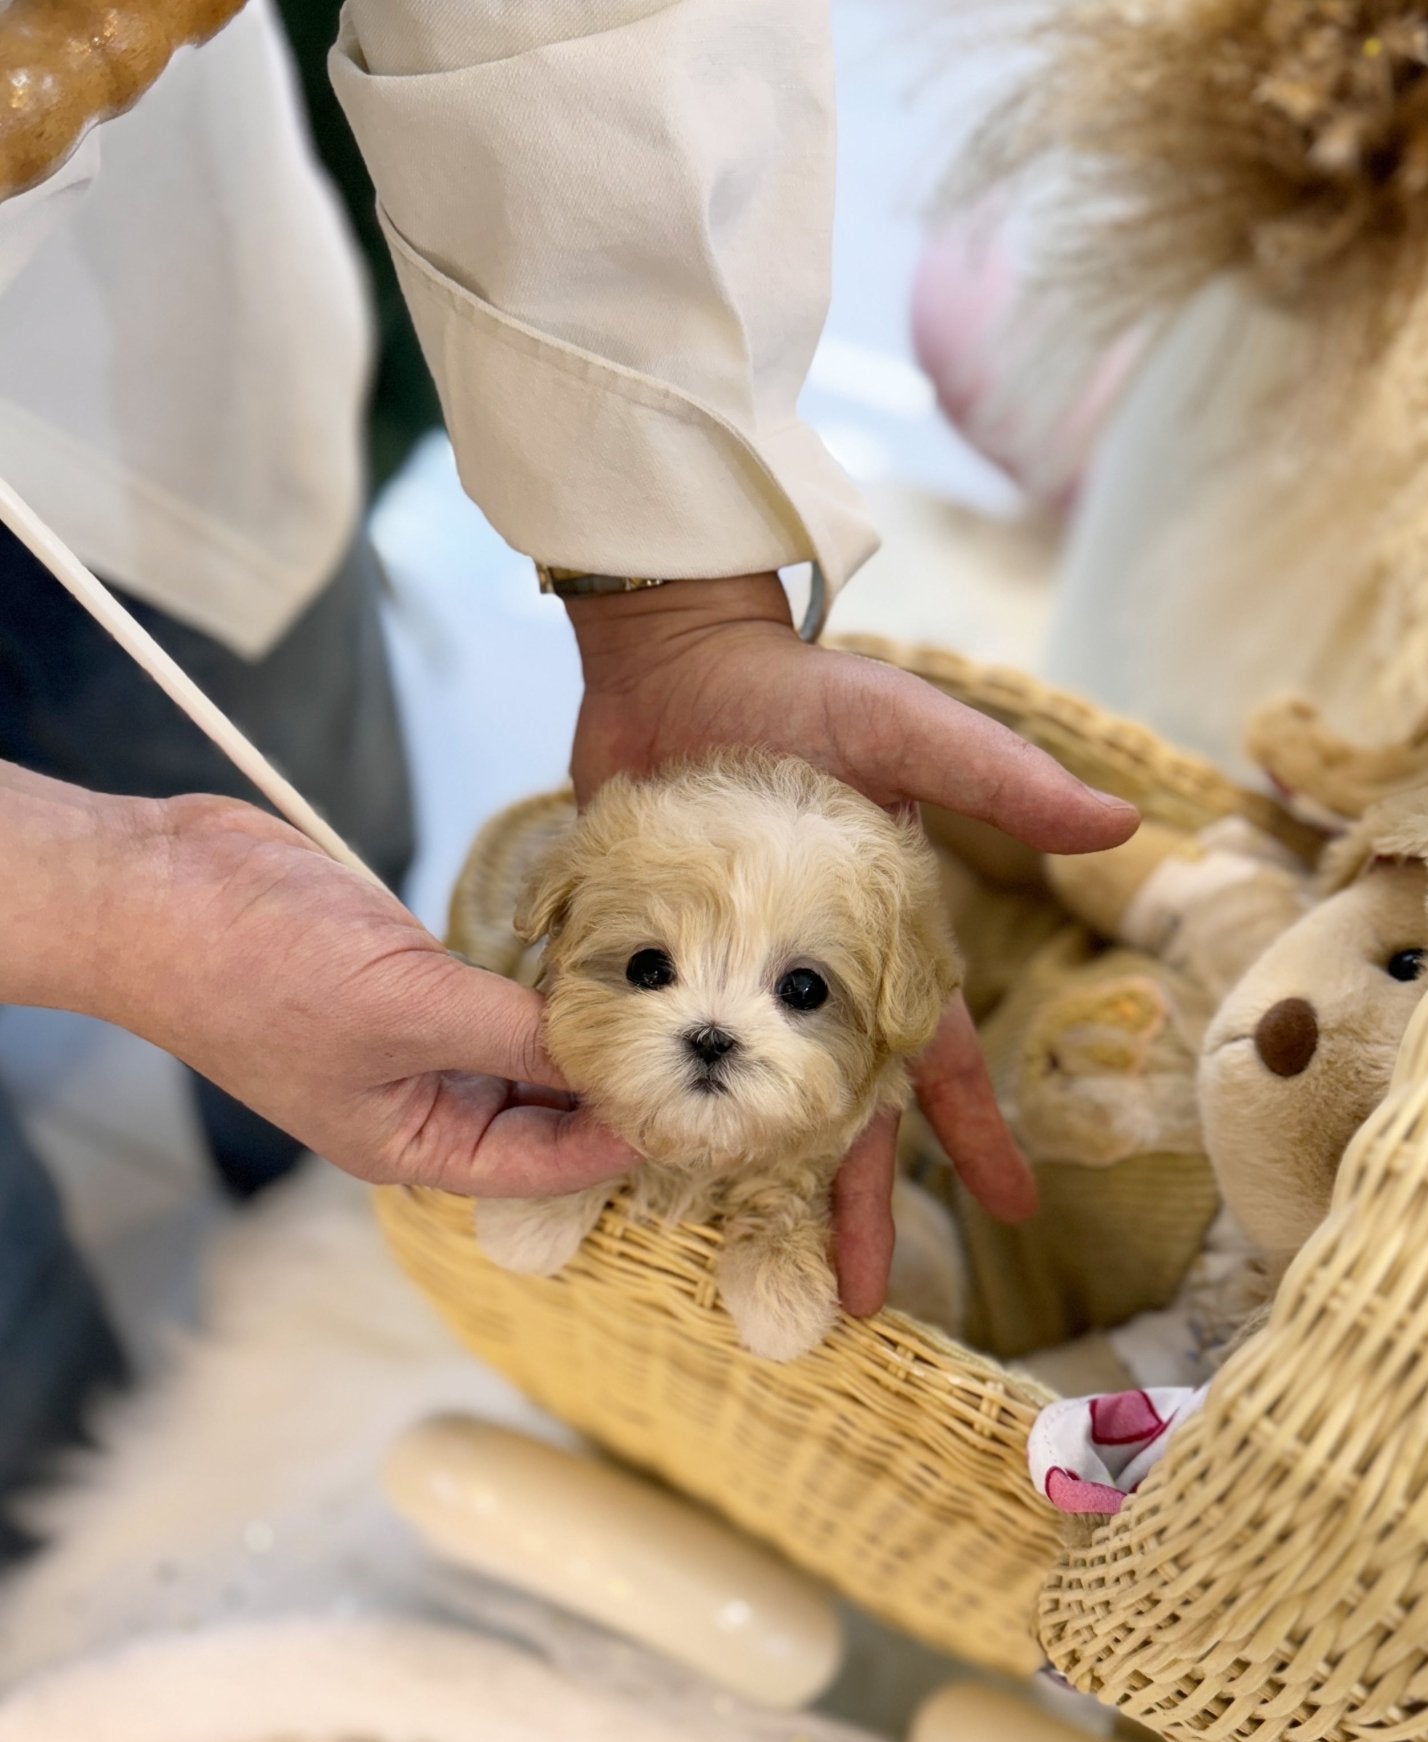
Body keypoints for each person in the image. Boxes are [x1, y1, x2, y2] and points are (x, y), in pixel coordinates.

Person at [0, 0, 1135, 1519]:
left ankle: (293, 1206)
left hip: (124, 362)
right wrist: (96, 909)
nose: (728, 1027)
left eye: (803, 990)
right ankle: (52, 1494)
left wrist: (679, 598)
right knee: (32, 1387)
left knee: (316, 810)